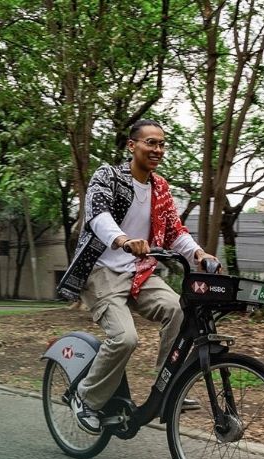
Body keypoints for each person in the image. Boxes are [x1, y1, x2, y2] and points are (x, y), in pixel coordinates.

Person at [57, 119, 220, 434]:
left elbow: (174, 231)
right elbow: (98, 216)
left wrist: (199, 254)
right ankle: (86, 399)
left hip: (141, 272)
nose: (157, 149)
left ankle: (167, 382)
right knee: (125, 338)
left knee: (180, 309)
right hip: (103, 271)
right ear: (132, 146)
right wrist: (122, 240)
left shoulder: (160, 187)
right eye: (150, 142)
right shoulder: (109, 176)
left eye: (161, 144)